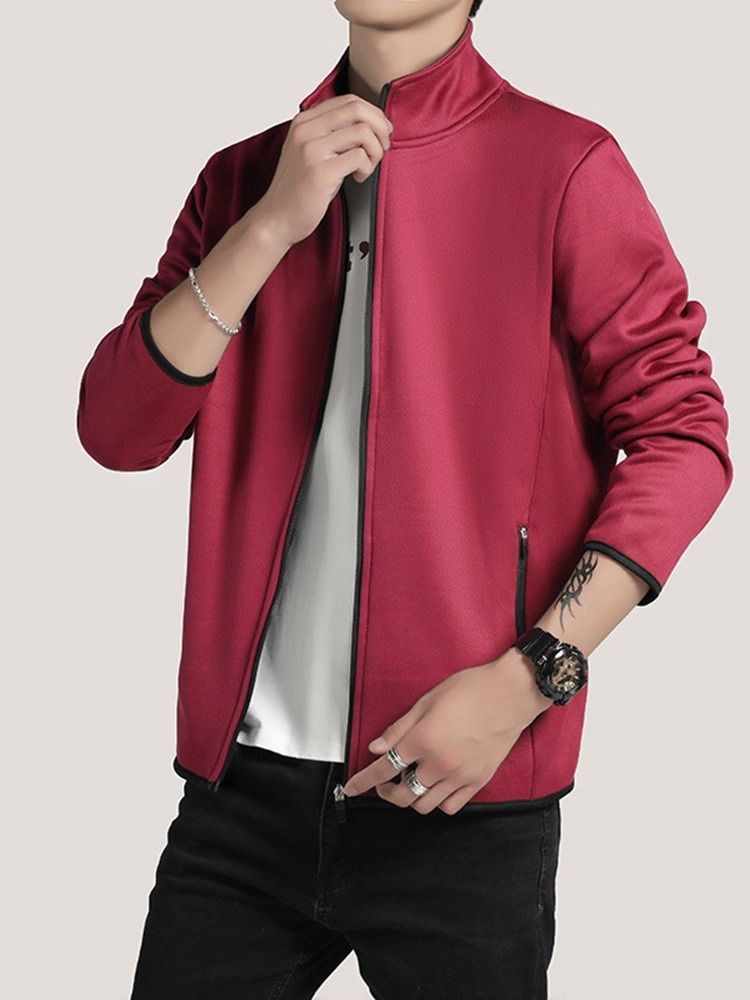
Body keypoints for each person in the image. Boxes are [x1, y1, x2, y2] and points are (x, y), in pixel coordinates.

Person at [76, 1, 733, 997]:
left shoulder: (565, 165)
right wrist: (272, 222)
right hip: (238, 801)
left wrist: (528, 680)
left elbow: (683, 437)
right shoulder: (243, 178)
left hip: (461, 795)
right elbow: (117, 431)